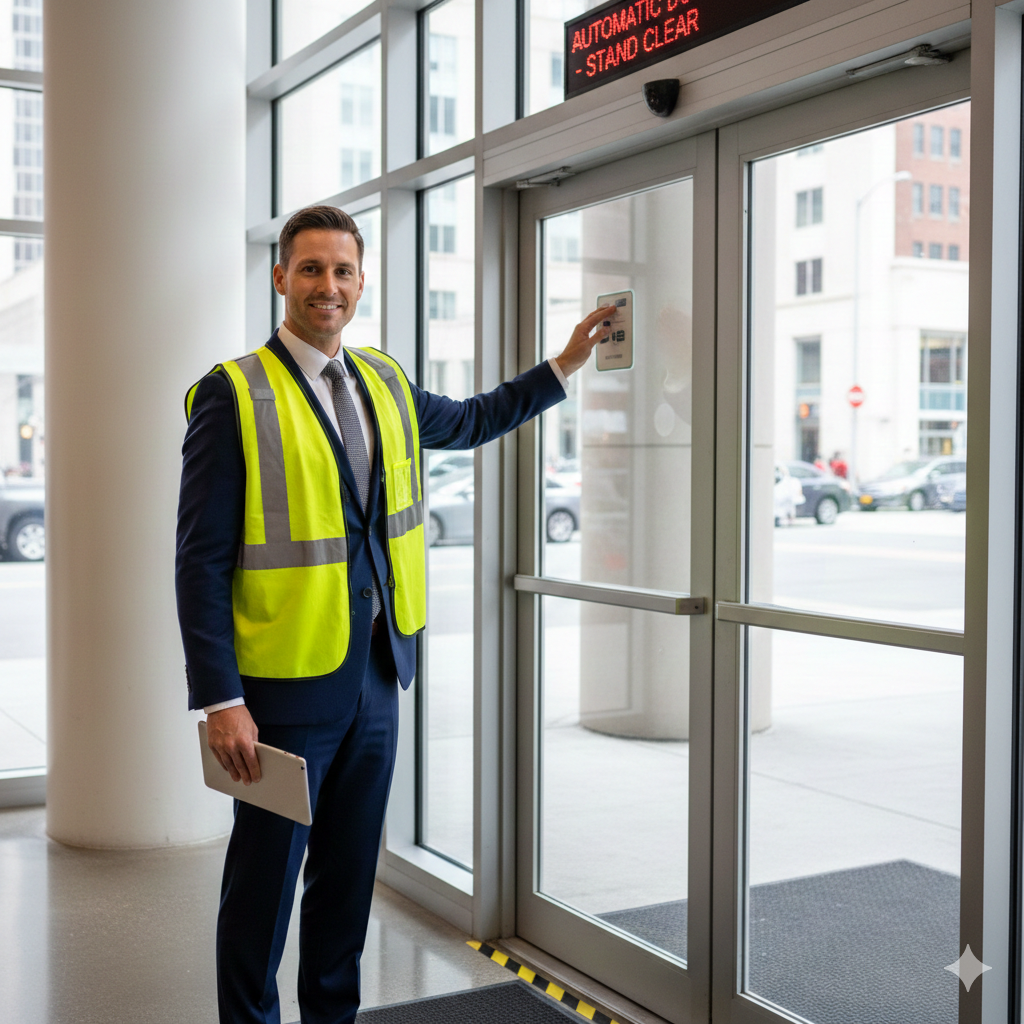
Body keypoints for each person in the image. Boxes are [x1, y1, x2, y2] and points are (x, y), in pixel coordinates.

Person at [175, 204, 614, 1024]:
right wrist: (219, 698)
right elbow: (198, 560)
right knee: (264, 890)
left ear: (361, 280)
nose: (327, 287)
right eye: (310, 269)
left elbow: (477, 419)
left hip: (376, 678)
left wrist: (563, 366)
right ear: (280, 279)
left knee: (345, 883)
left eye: (342, 270)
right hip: (280, 693)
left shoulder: (381, 379)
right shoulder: (233, 395)